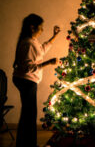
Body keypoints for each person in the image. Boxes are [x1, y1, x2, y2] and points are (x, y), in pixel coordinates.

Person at [12, 13, 61, 147]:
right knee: (29, 115)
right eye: (41, 27)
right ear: (32, 28)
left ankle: (24, 143)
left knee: (28, 114)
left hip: (26, 80)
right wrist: (48, 63)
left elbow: (41, 49)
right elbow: (28, 68)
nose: (42, 30)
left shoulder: (32, 41)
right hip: (26, 81)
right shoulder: (28, 43)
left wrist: (55, 35)